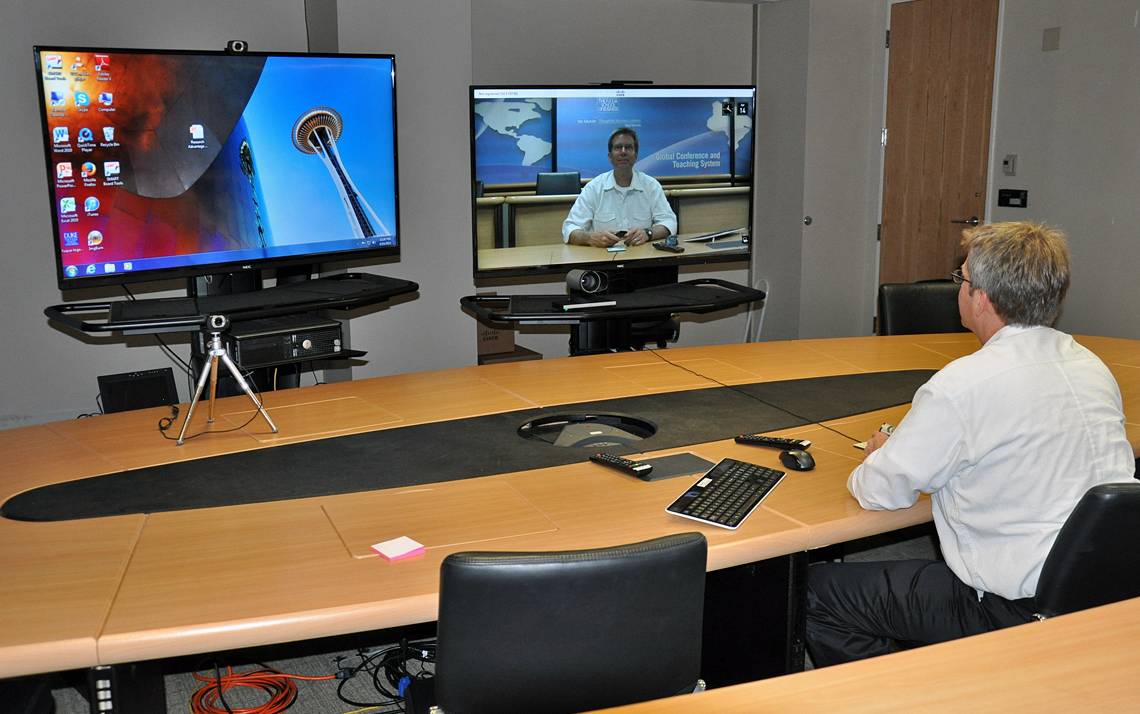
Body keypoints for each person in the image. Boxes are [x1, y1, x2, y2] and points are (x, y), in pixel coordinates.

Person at [805, 221, 1135, 667]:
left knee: (815, 595)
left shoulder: (963, 385)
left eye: (960, 279)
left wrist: (882, 453)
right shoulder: (1090, 366)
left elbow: (879, 491)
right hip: (1103, 590)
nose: (957, 288)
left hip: (1010, 606)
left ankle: (902, 696)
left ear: (981, 297)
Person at [561, 127, 677, 247]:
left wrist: (648, 233)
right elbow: (570, 229)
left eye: (628, 147)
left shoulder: (651, 186)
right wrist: (591, 238)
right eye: (618, 147)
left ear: (635, 155)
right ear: (609, 156)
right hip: (603, 260)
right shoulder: (594, 188)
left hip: (642, 259)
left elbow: (669, 222)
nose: (623, 152)